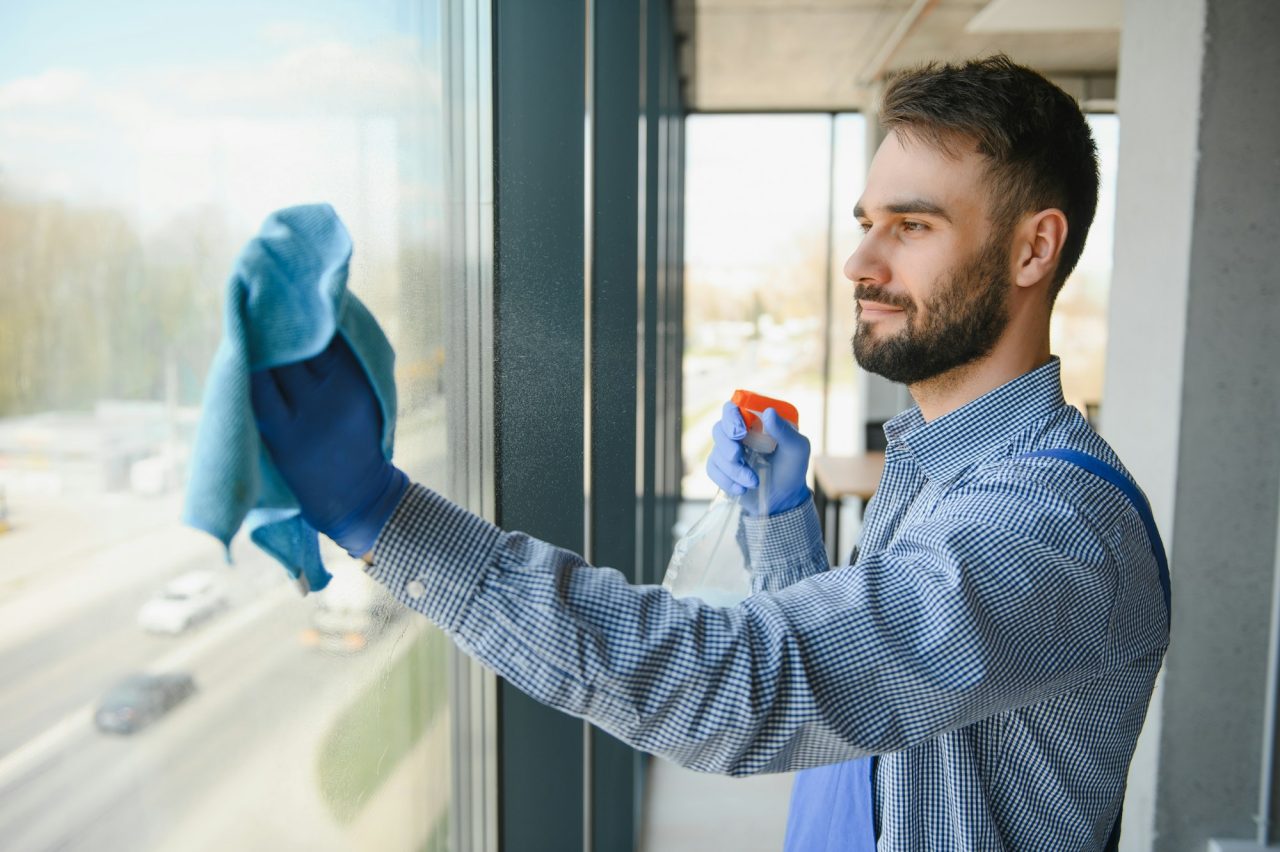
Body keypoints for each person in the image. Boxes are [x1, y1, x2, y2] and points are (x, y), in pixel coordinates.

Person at [250, 55, 1169, 850]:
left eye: (913, 226)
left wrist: (390, 519)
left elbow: (752, 683)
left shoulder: (1054, 528)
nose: (860, 264)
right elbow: (861, 700)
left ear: (1032, 250)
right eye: (866, 222)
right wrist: (781, 522)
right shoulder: (942, 470)